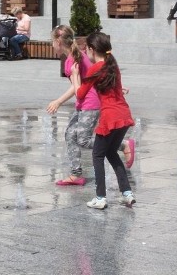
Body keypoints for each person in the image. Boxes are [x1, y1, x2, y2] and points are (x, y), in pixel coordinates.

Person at [47, 25, 134, 186]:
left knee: (83, 139)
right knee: (70, 134)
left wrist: (58, 101)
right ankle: (76, 174)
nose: (51, 45)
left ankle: (123, 145)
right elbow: (95, 74)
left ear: (59, 41)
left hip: (90, 103)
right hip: (84, 102)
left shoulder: (73, 59)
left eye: (52, 41)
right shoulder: (76, 55)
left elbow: (76, 87)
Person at [70, 32, 136, 210]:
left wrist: (75, 76)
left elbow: (80, 94)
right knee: (111, 152)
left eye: (86, 50)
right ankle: (127, 194)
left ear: (91, 50)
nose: (86, 53)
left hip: (109, 117)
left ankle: (100, 197)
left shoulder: (95, 68)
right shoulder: (112, 64)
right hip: (123, 114)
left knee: (97, 155)